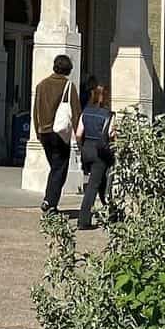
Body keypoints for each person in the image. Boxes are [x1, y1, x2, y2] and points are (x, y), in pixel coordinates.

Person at [32, 54, 81, 213]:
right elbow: (76, 113)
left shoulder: (41, 85)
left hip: (44, 132)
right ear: (68, 69)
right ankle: (50, 202)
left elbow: (35, 111)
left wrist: (37, 131)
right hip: (60, 134)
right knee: (60, 168)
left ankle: (50, 201)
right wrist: (79, 136)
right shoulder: (68, 86)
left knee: (55, 167)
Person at [75, 83, 114, 231]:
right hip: (100, 152)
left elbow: (79, 134)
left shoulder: (85, 112)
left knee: (100, 181)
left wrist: (82, 147)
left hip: (87, 150)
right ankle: (83, 219)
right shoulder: (108, 115)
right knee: (93, 185)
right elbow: (111, 134)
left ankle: (111, 210)